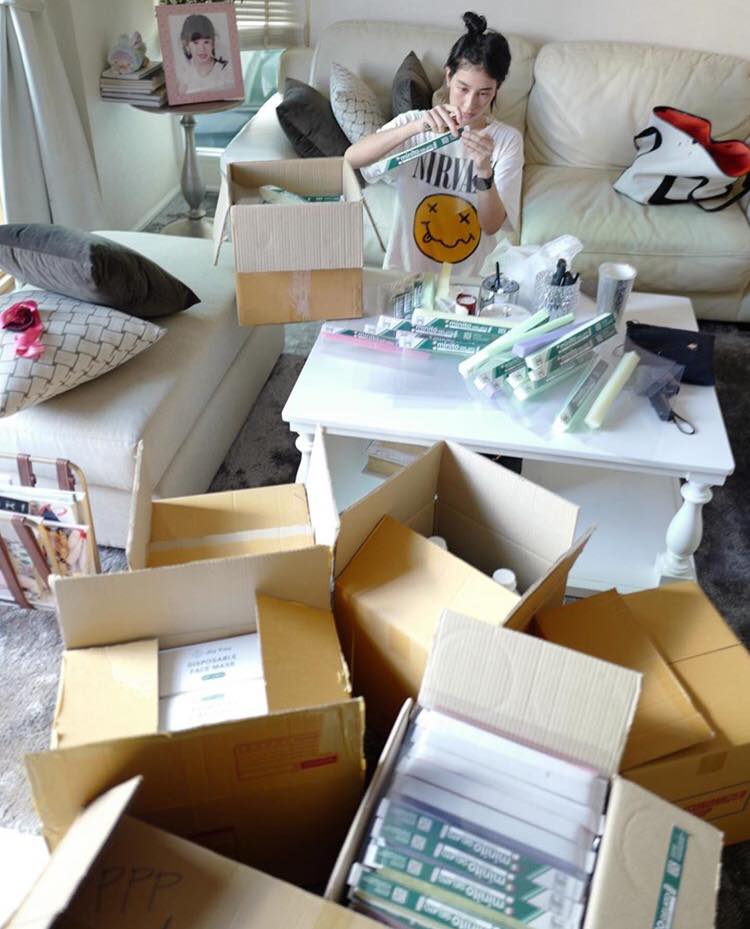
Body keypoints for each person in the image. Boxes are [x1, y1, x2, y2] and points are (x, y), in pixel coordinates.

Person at [345, 11, 523, 277]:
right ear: (448, 76)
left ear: (496, 89)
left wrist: (484, 171)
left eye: (484, 93)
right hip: (404, 276)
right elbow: (352, 158)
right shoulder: (415, 123)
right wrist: (415, 128)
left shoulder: (506, 141)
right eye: (463, 88)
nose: (469, 104)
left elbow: (491, 226)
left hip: (467, 282)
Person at [177, 13, 234, 95]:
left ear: (213, 43)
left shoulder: (225, 72)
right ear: (187, 45)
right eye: (196, 43)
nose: (202, 48)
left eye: (206, 42)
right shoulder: (184, 76)